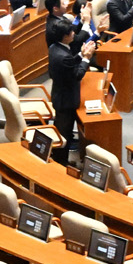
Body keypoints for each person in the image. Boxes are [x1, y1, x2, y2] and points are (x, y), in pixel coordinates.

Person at [45, 16, 95, 163]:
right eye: (72, 33)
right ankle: (60, 165)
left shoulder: (56, 47)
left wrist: (80, 54)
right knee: (63, 136)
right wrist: (86, 58)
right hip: (66, 101)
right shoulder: (62, 56)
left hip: (60, 95)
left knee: (62, 132)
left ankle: (60, 161)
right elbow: (77, 74)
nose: (74, 34)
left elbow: (69, 63)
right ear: (65, 36)